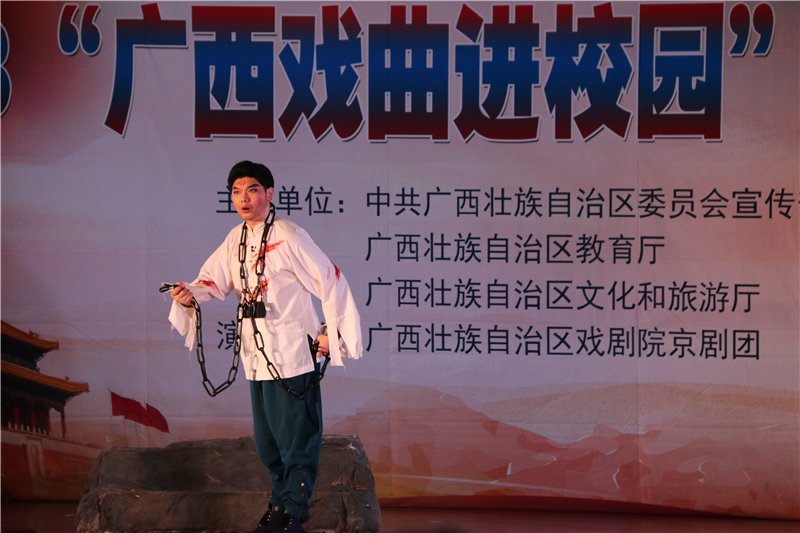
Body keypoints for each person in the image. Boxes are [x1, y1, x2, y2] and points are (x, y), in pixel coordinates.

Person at [168, 160, 362, 533]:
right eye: (236, 191)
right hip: (256, 356)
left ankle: (294, 514)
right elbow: (213, 281)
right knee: (268, 444)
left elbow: (331, 280)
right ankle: (278, 508)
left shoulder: (289, 235)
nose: (244, 198)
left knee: (295, 441)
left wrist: (332, 332)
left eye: (252, 190)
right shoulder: (236, 238)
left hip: (292, 354)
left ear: (269, 194)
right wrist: (189, 293)